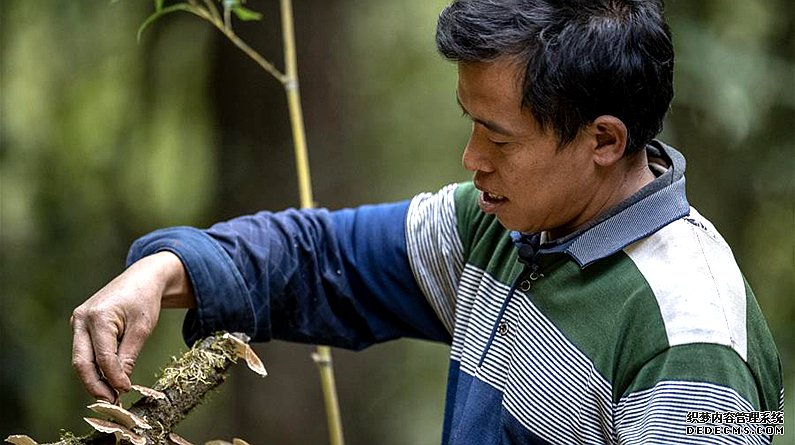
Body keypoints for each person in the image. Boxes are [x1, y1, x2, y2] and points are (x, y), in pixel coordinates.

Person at [71, 0, 784, 443]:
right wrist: (165, 268)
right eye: (469, 125)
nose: (470, 158)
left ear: (602, 140)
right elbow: (324, 258)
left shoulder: (693, 342)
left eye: (499, 139)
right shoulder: (501, 229)